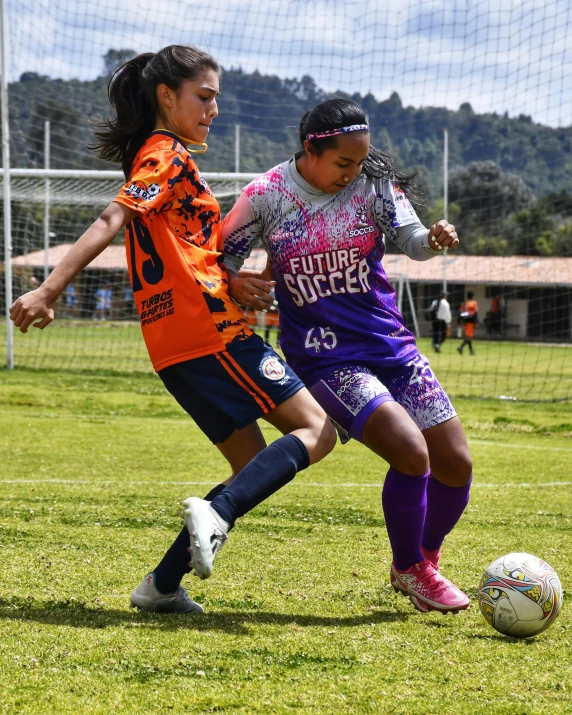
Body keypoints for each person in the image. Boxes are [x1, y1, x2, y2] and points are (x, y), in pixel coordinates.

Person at [9, 45, 335, 614]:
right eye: (203, 97)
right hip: (213, 335)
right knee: (318, 430)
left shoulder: (153, 156)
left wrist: (229, 278)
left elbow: (180, 251)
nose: (212, 110)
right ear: (167, 96)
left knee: (248, 466)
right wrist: (48, 288)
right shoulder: (167, 155)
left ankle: (161, 585)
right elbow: (111, 218)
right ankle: (215, 516)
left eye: (215, 100)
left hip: (172, 348)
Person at [223, 98, 473, 614]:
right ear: (312, 149)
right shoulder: (266, 196)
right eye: (343, 163)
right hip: (326, 359)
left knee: (455, 463)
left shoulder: (375, 186)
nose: (352, 173)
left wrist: (434, 238)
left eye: (360, 162)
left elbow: (411, 240)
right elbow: (216, 256)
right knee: (410, 451)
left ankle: (422, 559)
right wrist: (232, 280)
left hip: (391, 346)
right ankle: (410, 568)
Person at [457, 291, 479, 355]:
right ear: (472, 296)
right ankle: (461, 347)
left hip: (465, 321)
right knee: (469, 337)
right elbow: (475, 313)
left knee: (468, 336)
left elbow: (460, 313)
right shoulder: (474, 303)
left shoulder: (464, 303)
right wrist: (477, 322)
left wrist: (459, 321)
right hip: (471, 321)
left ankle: (471, 351)